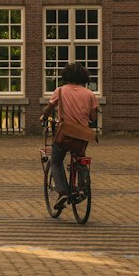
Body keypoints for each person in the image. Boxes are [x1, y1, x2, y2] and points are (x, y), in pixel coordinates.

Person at [40, 62, 99, 216]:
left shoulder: (60, 91)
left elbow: (49, 108)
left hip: (64, 135)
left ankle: (62, 192)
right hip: (82, 135)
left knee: (56, 161)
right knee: (80, 157)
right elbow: (93, 117)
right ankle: (82, 187)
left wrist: (44, 116)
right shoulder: (90, 94)